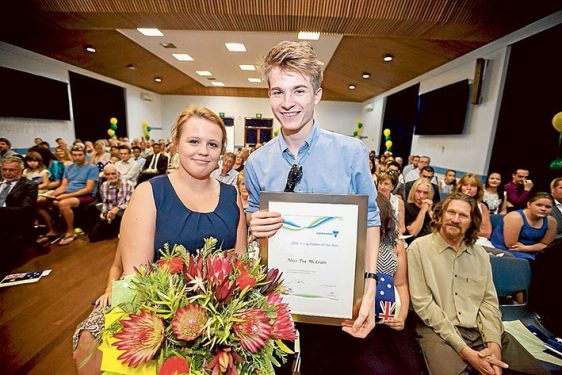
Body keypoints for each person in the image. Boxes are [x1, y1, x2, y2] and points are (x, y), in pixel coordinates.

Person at [244, 41, 381, 373]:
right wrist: (254, 224)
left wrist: (371, 282)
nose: (287, 103)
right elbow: (252, 215)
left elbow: (371, 220)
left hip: (335, 299)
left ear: (317, 95)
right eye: (278, 92)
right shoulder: (256, 163)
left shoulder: (351, 153)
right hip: (276, 299)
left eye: (299, 91)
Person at [408, 192, 549, 375]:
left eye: (463, 215)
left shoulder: (480, 255)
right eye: (451, 212)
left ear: (471, 222)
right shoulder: (419, 248)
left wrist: (494, 345)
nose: (455, 219)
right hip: (438, 330)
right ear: (441, 215)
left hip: (478, 329)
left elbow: (488, 302)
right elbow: (424, 305)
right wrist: (465, 351)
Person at [119, 105, 247, 275]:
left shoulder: (231, 195)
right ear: (177, 142)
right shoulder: (149, 193)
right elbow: (135, 278)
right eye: (194, 141)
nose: (203, 151)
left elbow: (240, 265)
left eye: (213, 144)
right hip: (159, 300)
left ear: (221, 151)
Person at [36, 144, 99, 246]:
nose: (77, 157)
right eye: (74, 155)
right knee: (39, 201)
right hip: (69, 193)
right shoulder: (69, 167)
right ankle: (53, 229)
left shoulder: (92, 168)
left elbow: (88, 189)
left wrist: (66, 196)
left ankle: (70, 232)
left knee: (63, 203)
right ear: (71, 155)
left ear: (84, 155)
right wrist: (53, 194)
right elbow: (63, 186)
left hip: (85, 195)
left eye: (80, 155)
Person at [72, 248, 123, 375]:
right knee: (87, 336)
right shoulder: (130, 228)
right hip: (127, 286)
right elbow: (116, 266)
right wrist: (110, 290)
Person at [490, 192, 556, 260]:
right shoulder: (515, 217)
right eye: (539, 205)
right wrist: (536, 247)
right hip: (506, 250)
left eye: (548, 207)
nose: (543, 209)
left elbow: (546, 245)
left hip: (532, 251)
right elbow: (512, 245)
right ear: (529, 204)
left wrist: (526, 248)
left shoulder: (551, 221)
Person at [87, 164, 133, 242]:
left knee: (119, 214)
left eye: (113, 174)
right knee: (92, 236)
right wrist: (104, 213)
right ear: (104, 175)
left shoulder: (128, 184)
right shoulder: (104, 186)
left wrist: (117, 208)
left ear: (118, 173)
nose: (111, 176)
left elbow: (130, 203)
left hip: (124, 212)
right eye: (108, 174)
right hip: (110, 214)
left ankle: (120, 230)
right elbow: (105, 203)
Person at [0, 156, 38, 248]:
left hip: (15, 219)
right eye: (4, 169)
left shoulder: (29, 185)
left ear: (21, 171)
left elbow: (24, 209)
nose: (7, 173)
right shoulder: (1, 182)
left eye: (12, 170)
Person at [453, 173, 492, 241]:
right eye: (465, 185)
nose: (468, 188)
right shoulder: (451, 203)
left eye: (473, 186)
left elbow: (486, 232)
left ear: (478, 189)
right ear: (460, 187)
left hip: (478, 240)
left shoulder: (482, 207)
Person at [404, 178, 434, 244]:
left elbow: (438, 231)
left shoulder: (432, 208)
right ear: (413, 192)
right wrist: (423, 210)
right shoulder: (406, 207)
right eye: (418, 191)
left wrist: (429, 212)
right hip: (413, 243)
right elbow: (413, 232)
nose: (421, 196)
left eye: (425, 193)